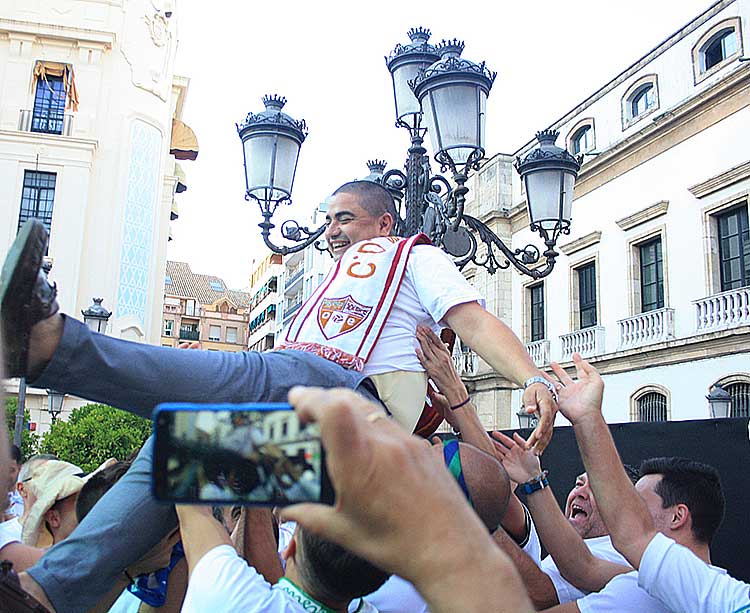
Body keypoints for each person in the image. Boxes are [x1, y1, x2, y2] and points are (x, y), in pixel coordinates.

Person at [2, 181, 556, 612]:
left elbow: (473, 321)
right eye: (328, 222)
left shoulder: (414, 257)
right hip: (331, 448)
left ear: (385, 222)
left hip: (349, 409)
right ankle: (48, 593)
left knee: (247, 376)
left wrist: (531, 377)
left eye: (346, 218)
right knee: (184, 450)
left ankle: (52, 346)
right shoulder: (334, 281)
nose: (332, 232)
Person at [548, 354, 750, 613]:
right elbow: (587, 567)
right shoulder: (717, 596)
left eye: (638, 503)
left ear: (678, 516)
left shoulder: (643, 592)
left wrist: (587, 418)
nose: (625, 510)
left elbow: (624, 540)